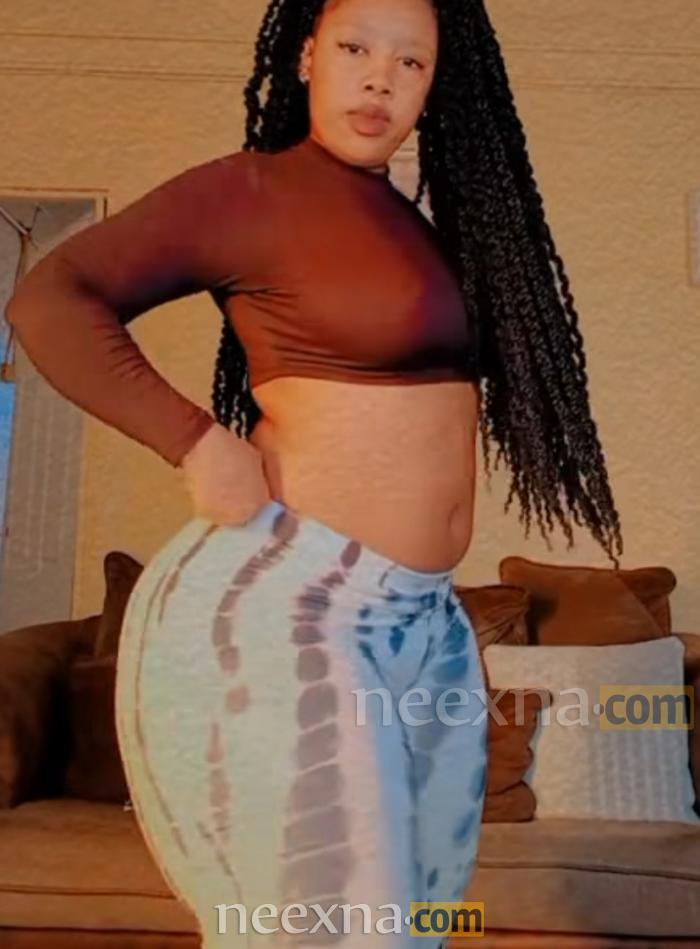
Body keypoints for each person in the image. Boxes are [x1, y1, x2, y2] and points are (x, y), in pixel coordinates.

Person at [5, 0, 623, 943]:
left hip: (424, 622)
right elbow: (50, 299)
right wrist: (194, 439)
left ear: (436, 84)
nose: (380, 76)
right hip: (299, 603)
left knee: (408, 926)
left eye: (411, 61)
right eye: (355, 46)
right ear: (305, 56)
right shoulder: (251, 191)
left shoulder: (421, 225)